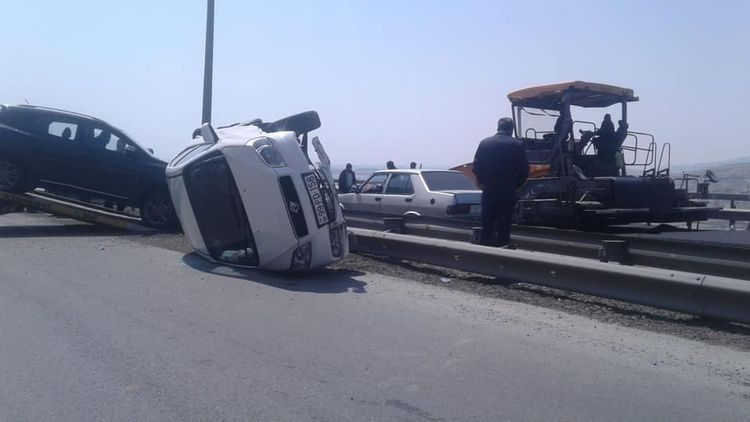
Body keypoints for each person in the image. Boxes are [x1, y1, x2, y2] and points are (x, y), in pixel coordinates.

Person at [472, 117, 529, 247]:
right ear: (511, 129)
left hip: (489, 191)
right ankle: (502, 257)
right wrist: (516, 186)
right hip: (507, 192)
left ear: (498, 127)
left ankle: (484, 255)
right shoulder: (517, 144)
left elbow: (476, 167)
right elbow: (524, 170)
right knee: (504, 227)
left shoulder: (485, 143)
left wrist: (481, 182)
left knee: (487, 225)